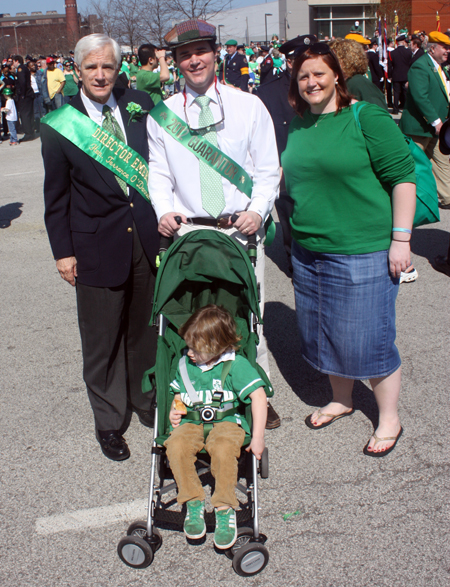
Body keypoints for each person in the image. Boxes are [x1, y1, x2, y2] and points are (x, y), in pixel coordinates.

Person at [281, 43, 416, 457]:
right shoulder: (299, 123)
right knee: (324, 334)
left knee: (369, 339)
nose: (311, 83)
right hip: (308, 251)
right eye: (304, 76)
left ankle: (389, 417)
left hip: (362, 249)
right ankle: (342, 399)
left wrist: (401, 239)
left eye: (319, 74)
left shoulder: (365, 116)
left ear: (337, 75)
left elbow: (403, 177)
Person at [147, 19, 281, 429]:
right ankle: (189, 394)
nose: (194, 60)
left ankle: (257, 392)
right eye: (185, 55)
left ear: (215, 53)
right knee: (192, 316)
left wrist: (257, 210)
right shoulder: (164, 115)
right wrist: (162, 210)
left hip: (239, 232)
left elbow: (267, 170)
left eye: (200, 51)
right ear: (176, 62)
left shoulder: (249, 105)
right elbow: (159, 173)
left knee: (247, 315)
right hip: (189, 233)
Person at [41, 33, 159, 461]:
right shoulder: (60, 125)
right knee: (102, 339)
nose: (100, 74)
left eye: (107, 66)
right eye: (91, 67)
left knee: (145, 331)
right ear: (77, 72)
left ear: (118, 69)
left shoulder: (140, 106)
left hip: (146, 240)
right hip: (94, 246)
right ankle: (109, 421)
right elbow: (56, 197)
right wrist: (63, 252)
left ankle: (146, 401)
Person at [164, 305, 267, 548]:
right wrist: (175, 410)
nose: (189, 353)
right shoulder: (185, 365)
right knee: (175, 446)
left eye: (196, 349)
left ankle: (224, 507)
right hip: (191, 421)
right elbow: (178, 393)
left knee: (222, 449)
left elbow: (259, 397)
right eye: (188, 346)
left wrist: (259, 436)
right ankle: (193, 502)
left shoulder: (235, 365)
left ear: (217, 346)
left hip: (226, 421)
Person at [400, 31, 450, 208]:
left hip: (437, 127)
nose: (448, 51)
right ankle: (405, 199)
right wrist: (436, 122)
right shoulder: (420, 66)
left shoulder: (439, 67)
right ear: (433, 48)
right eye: (445, 47)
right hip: (419, 127)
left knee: (441, 161)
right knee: (412, 164)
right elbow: (421, 97)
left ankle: (447, 197)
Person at [330, 39, 388, 111]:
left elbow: (379, 114)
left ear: (345, 60)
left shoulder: (358, 83)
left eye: (333, 59)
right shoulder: (345, 82)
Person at [13, 55, 35, 141]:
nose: (13, 64)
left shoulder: (20, 69)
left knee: (24, 114)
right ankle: (31, 131)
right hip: (28, 94)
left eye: (14, 62)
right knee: (29, 113)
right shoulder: (25, 68)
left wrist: (22, 95)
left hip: (25, 95)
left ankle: (28, 133)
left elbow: (22, 83)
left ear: (17, 61)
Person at [388, 34, 412, 114]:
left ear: (397, 43)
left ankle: (395, 109)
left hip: (396, 75)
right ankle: (406, 109)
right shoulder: (408, 52)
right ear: (404, 42)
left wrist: (390, 76)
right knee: (405, 93)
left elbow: (390, 65)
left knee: (396, 93)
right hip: (406, 75)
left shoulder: (392, 53)